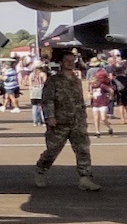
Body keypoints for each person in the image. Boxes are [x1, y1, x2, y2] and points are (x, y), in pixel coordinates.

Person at [36, 51, 98, 191]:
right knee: (52, 150)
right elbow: (47, 100)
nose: (71, 63)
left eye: (73, 60)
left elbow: (80, 100)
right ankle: (41, 170)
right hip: (59, 122)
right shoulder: (54, 80)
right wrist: (50, 117)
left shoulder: (76, 80)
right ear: (61, 63)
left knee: (83, 150)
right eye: (67, 60)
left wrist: (83, 116)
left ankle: (85, 178)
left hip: (77, 121)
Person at [88, 64, 114, 136]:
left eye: (94, 83)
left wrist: (110, 97)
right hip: (95, 103)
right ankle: (97, 132)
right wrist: (90, 95)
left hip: (103, 103)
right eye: (92, 84)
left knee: (103, 118)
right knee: (96, 118)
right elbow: (89, 94)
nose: (94, 84)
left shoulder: (102, 85)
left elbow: (111, 90)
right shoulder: (92, 87)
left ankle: (109, 127)